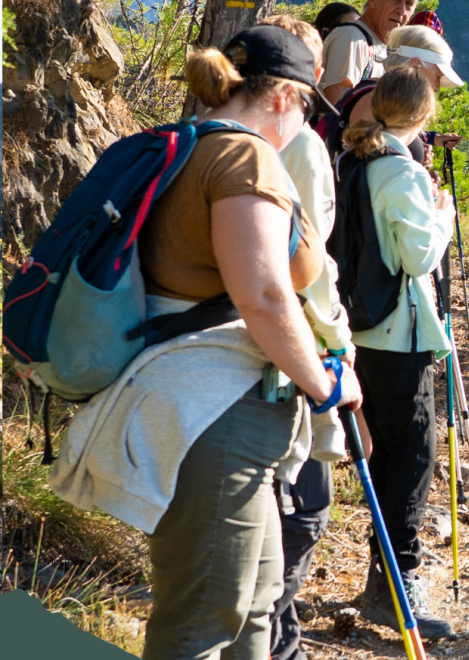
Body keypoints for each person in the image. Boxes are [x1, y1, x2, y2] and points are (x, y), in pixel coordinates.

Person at [123, 26, 359, 659]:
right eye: (307, 106)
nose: (306, 122)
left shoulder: (188, 147)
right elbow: (264, 295)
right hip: (216, 412)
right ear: (283, 96)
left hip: (205, 407)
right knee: (201, 623)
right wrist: (325, 382)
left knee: (253, 610)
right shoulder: (245, 158)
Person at [342, 66, 458, 641]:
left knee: (386, 455)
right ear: (420, 117)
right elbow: (418, 259)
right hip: (399, 335)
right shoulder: (402, 174)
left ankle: (380, 579)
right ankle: (398, 583)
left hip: (358, 332)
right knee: (413, 458)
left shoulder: (352, 163)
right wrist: (443, 215)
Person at [259, 14, 352, 660]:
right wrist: (338, 352)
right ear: (310, 75)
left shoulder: (225, 134)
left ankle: (276, 638)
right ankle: (270, 637)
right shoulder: (304, 148)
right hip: (292, 357)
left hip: (228, 357)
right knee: (305, 512)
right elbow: (311, 269)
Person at [344, 24, 463, 168]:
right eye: (437, 76)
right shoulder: (375, 100)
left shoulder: (381, 96)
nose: (437, 87)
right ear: (415, 64)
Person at [320, 0, 418, 104]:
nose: (402, 11)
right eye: (396, 1)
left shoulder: (381, 47)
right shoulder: (352, 37)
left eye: (409, 3)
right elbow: (336, 109)